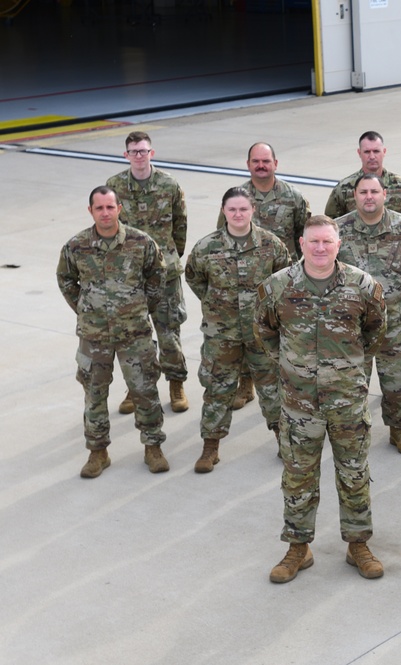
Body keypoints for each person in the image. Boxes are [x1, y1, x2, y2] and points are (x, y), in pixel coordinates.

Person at [257, 215, 387, 583]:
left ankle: (358, 544)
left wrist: (345, 371)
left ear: (338, 244)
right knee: (298, 477)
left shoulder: (362, 286)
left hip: (347, 402)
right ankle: (298, 547)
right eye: (313, 242)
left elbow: (375, 332)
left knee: (354, 474)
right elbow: (266, 334)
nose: (320, 248)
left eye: (327, 242)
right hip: (299, 406)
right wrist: (295, 369)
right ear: (301, 243)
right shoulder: (277, 287)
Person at [57, 186, 170, 478]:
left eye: (110, 207)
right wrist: (86, 308)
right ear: (91, 211)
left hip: (135, 333)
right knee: (94, 393)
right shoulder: (76, 246)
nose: (105, 213)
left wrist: (139, 305)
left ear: (119, 208)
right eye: (99, 208)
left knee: (144, 389)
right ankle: (98, 452)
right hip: (94, 336)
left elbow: (157, 277)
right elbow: (66, 280)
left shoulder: (141, 242)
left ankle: (153, 446)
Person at [185, 187, 292, 472]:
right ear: (223, 211)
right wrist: (217, 306)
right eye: (232, 209)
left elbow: (285, 279)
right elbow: (195, 278)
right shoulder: (207, 246)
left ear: (252, 210)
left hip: (262, 333)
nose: (238, 214)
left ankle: (284, 440)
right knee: (217, 389)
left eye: (243, 209)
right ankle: (210, 447)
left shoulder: (271, 244)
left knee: (272, 389)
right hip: (222, 335)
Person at [334, 174, 401, 455]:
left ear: (384, 194)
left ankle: (398, 429)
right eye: (363, 192)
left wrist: (395, 283)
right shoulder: (339, 229)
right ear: (355, 195)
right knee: (352, 379)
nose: (368, 197)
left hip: (394, 319)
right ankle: (352, 430)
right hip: (354, 323)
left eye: (374, 191)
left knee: (397, 378)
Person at [221, 142, 312, 410]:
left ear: (275, 163)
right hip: (244, 280)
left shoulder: (293, 196)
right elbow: (222, 236)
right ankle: (245, 384)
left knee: (285, 336)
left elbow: (303, 236)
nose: (261, 166)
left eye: (266, 161)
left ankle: (289, 385)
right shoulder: (237, 198)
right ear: (248, 164)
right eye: (256, 161)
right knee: (247, 334)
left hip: (283, 282)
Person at [106, 131, 189, 414]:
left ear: (152, 153)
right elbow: (109, 227)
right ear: (125, 155)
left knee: (169, 333)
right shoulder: (114, 186)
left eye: (143, 151)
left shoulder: (169, 185)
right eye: (134, 151)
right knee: (134, 336)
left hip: (165, 272)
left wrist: (169, 256)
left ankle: (176, 383)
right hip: (130, 275)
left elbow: (180, 226)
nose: (139, 156)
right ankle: (136, 386)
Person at [325, 130, 401, 225]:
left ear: (384, 152)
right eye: (367, 152)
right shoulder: (343, 188)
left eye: (376, 151)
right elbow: (331, 225)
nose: (372, 156)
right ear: (359, 153)